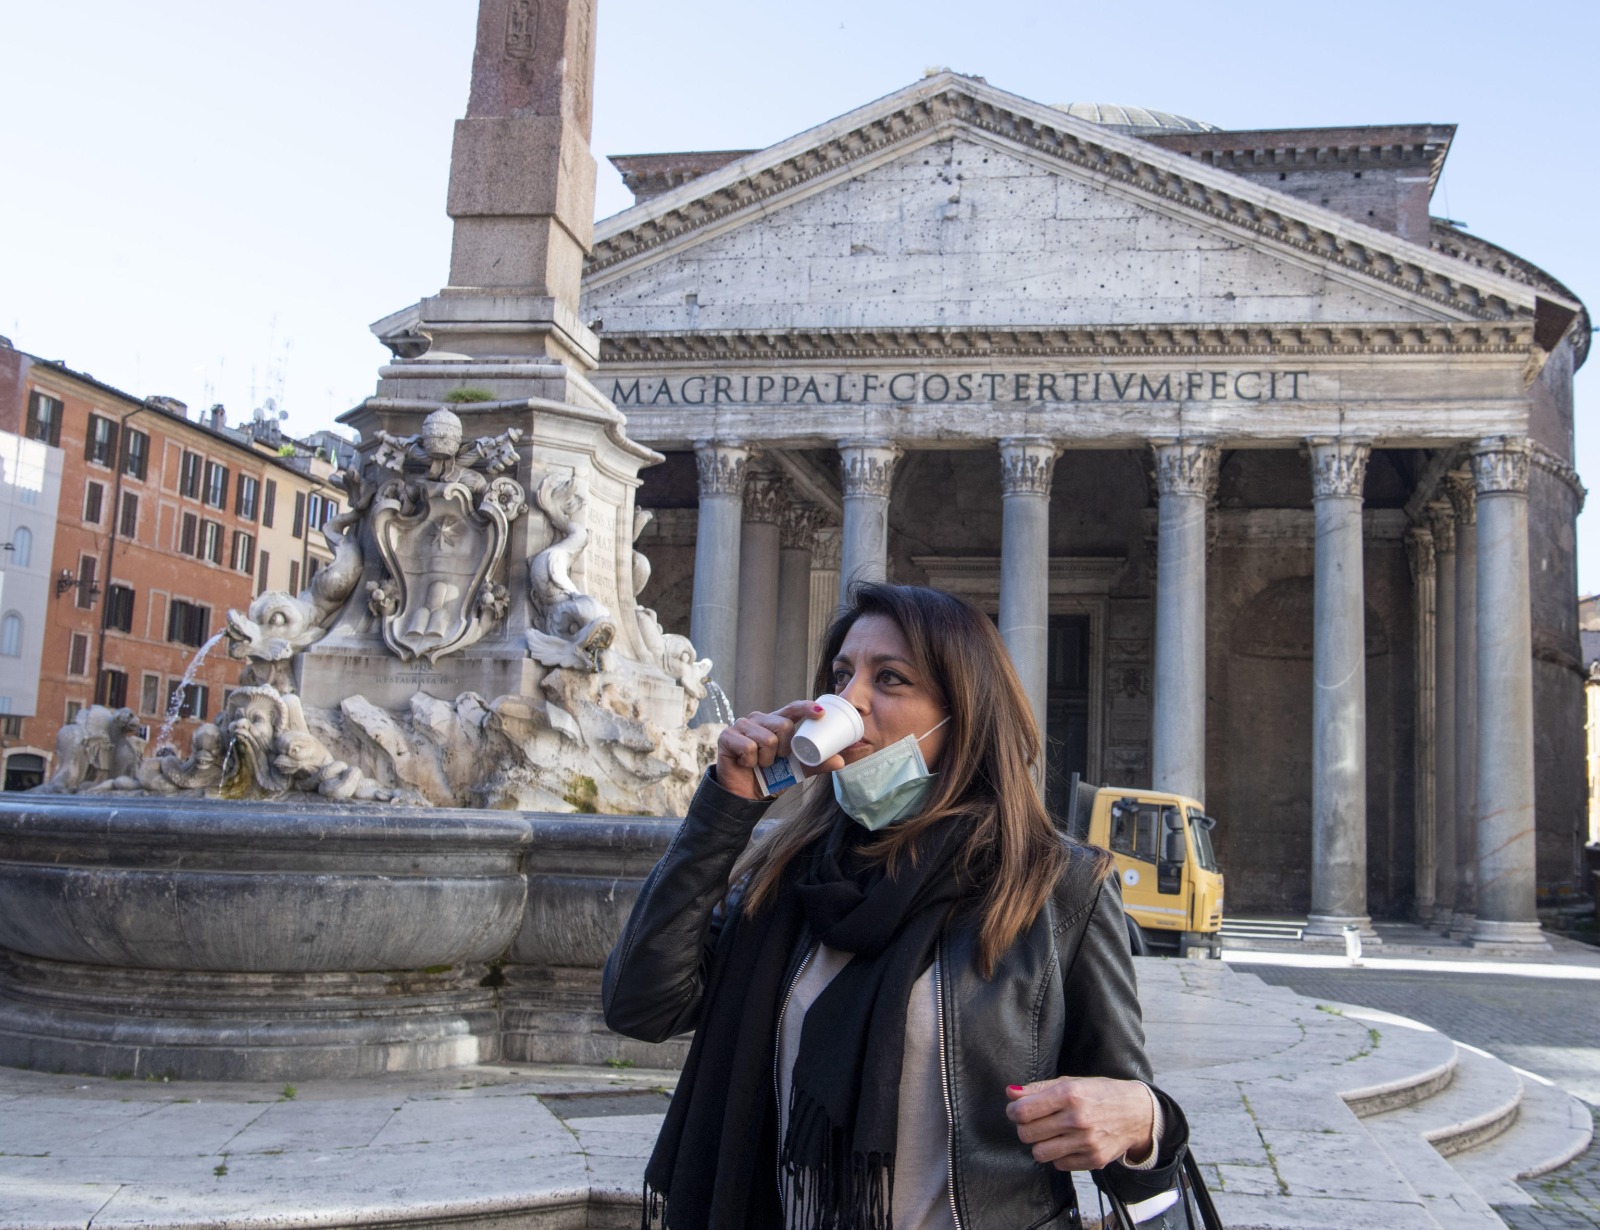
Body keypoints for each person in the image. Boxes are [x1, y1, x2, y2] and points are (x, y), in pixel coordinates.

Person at [603, 582, 1189, 1229]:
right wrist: (724, 809)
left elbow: (1123, 1117)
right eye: (841, 674)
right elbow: (641, 1005)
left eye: (890, 679)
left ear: (962, 715)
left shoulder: (1055, 890)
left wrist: (1144, 1121)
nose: (848, 700)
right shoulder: (787, 874)